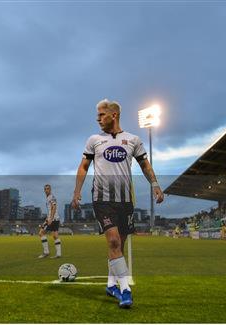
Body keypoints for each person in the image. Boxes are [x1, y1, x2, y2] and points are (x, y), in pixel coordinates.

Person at [71, 99, 164, 309]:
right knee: (113, 241)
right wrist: (77, 191)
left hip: (126, 201)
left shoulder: (133, 140)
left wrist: (156, 185)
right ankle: (125, 290)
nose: (98, 119)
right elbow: (84, 166)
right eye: (97, 116)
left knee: (118, 246)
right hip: (102, 199)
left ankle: (111, 285)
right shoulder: (94, 140)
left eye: (102, 115)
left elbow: (145, 165)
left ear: (114, 115)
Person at [37, 184, 62, 259]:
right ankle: (58, 254)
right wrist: (48, 218)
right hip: (55, 218)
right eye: (45, 189)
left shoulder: (51, 197)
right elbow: (51, 209)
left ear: (50, 189)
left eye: (48, 189)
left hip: (53, 219)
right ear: (44, 190)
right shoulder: (49, 197)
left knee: (41, 233)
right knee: (55, 236)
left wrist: (50, 218)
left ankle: (46, 252)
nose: (46, 190)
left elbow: (54, 207)